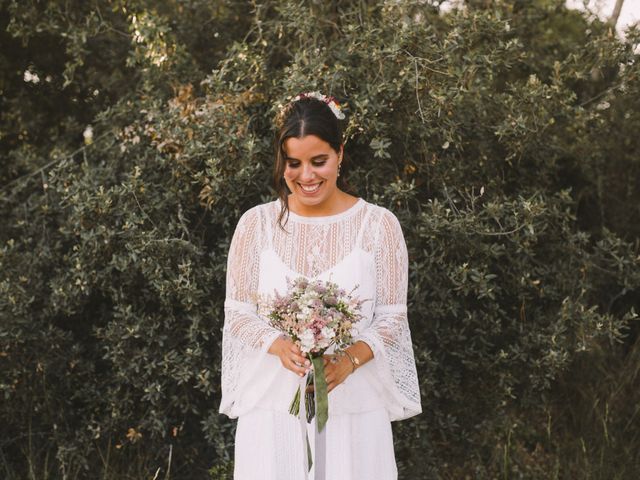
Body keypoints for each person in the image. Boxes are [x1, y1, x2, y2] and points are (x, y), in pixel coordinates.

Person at [219, 91, 422, 480]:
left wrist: (350, 360)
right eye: (293, 163)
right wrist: (278, 346)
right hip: (272, 407)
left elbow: (392, 318)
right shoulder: (255, 225)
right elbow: (238, 312)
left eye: (318, 161)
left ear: (340, 153)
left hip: (354, 408)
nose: (306, 176)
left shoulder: (379, 226)